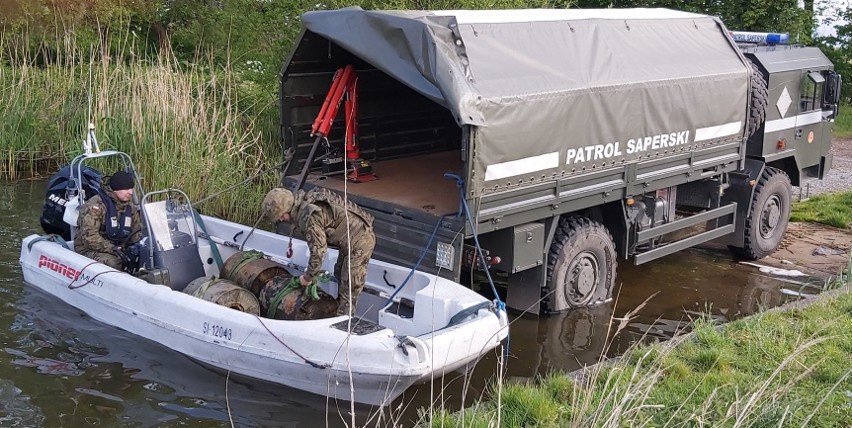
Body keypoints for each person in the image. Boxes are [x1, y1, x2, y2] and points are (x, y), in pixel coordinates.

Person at [262, 187, 375, 316]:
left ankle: (344, 321)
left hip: (361, 241)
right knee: (339, 272)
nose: (282, 220)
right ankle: (338, 309)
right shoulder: (304, 202)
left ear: (288, 208)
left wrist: (308, 277)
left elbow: (319, 252)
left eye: (281, 216)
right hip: (350, 240)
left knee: (350, 282)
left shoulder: (309, 217)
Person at [75, 170, 142, 271]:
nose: (131, 192)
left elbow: (136, 232)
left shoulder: (130, 207)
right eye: (126, 189)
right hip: (88, 248)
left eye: (131, 188)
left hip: (117, 247)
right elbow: (89, 237)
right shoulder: (95, 206)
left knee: (142, 256)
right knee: (114, 262)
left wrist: (138, 247)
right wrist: (112, 249)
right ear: (115, 190)